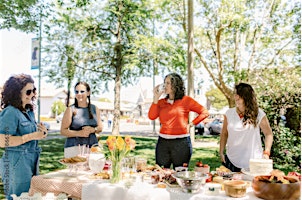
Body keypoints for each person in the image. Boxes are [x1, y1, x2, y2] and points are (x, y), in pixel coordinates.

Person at [0, 74, 48, 200]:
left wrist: (42, 133)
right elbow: (2, 141)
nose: (32, 94)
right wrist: (31, 136)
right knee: (18, 197)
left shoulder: (28, 111)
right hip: (16, 163)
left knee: (30, 196)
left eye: (34, 90)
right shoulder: (10, 112)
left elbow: (32, 135)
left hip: (31, 161)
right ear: (16, 93)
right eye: (28, 91)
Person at [148, 73, 209, 169]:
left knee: (181, 175)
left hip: (181, 143)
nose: (165, 85)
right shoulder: (161, 102)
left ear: (176, 85)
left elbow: (204, 112)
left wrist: (191, 124)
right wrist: (156, 97)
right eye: (165, 83)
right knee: (161, 173)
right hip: (163, 143)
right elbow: (151, 116)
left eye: (168, 83)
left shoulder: (186, 100)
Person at [219, 83, 274, 172]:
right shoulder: (229, 113)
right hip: (231, 160)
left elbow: (268, 134)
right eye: (235, 94)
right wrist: (221, 151)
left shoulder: (259, 114)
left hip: (253, 162)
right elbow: (224, 133)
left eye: (239, 95)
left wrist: (267, 152)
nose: (235, 97)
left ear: (246, 97)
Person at [60, 81, 103, 158]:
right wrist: (79, 133)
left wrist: (92, 129)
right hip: (74, 147)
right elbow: (63, 131)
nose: (79, 94)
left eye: (82, 91)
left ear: (88, 93)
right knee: (76, 169)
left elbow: (100, 128)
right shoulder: (71, 109)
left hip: (92, 147)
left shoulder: (95, 109)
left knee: (93, 169)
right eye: (77, 92)